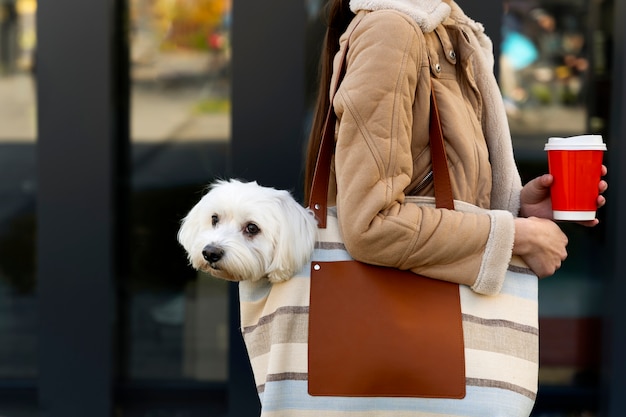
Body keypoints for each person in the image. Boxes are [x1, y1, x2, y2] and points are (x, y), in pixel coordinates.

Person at [303, 0, 608, 294]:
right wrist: (514, 236)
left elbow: (436, 193)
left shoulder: (446, 32)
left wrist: (519, 209)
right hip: (410, 326)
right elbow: (371, 226)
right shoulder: (391, 30)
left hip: (427, 316)